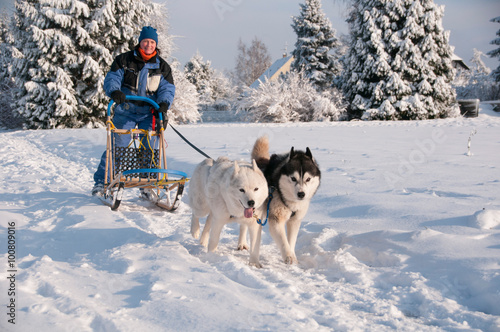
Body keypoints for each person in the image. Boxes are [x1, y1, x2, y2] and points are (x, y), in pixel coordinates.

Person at [92, 26, 175, 196]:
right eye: (146, 41)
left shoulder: (162, 67)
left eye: (152, 42)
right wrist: (115, 91)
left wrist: (164, 104)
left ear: (156, 44)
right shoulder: (124, 60)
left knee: (149, 149)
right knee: (117, 146)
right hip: (126, 110)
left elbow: (167, 88)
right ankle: (103, 182)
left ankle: (148, 185)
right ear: (140, 42)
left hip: (149, 113)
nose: (148, 45)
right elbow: (113, 78)